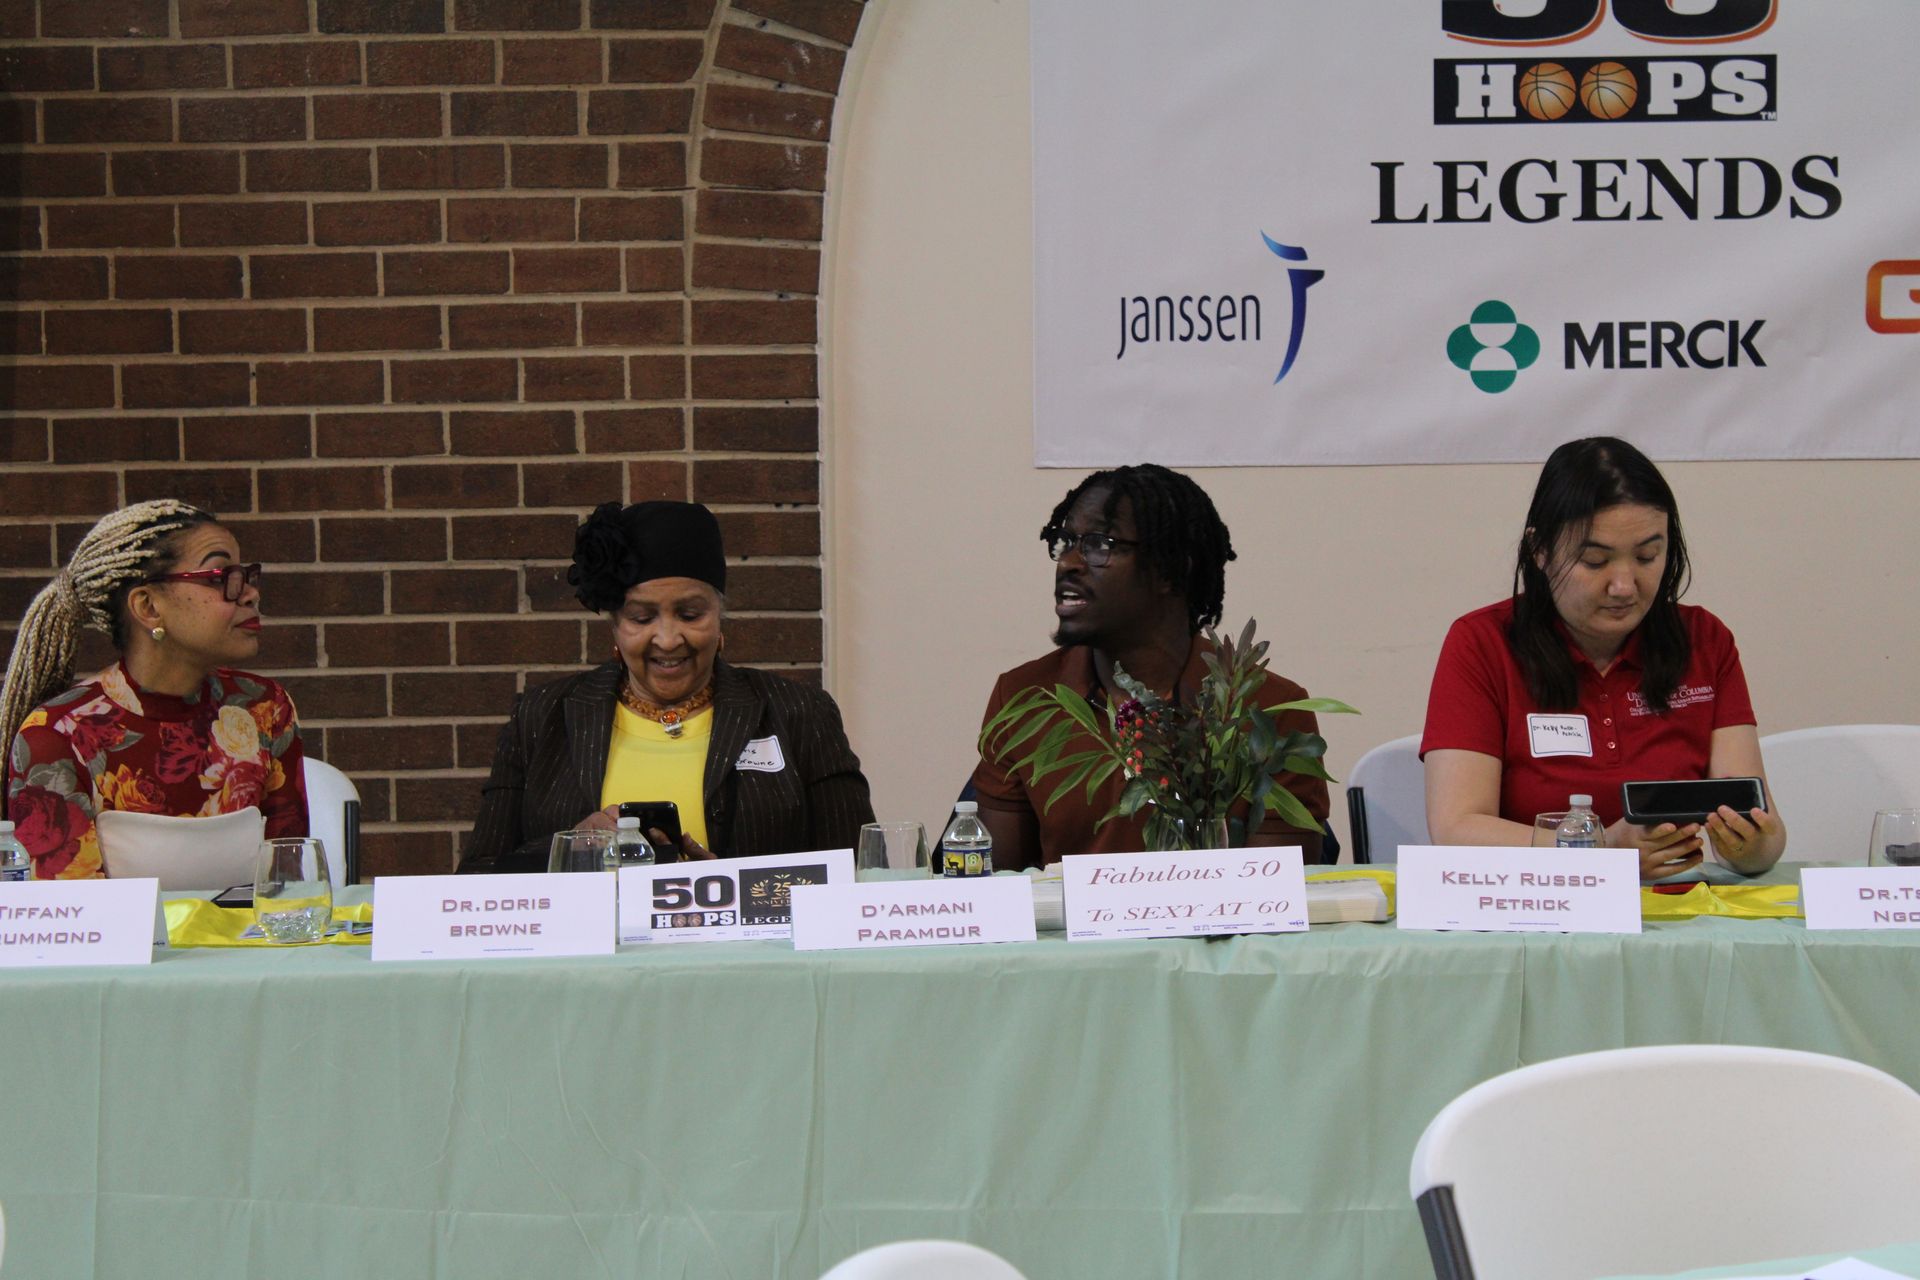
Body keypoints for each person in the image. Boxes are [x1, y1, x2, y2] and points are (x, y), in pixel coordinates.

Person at [1422, 436, 1785, 879]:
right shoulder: (1482, 642)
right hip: (1534, 909)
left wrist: (1752, 847)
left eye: (1648, 556)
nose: (1624, 586)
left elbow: (1756, 825)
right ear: (1539, 551)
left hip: (1672, 909)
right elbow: (1457, 829)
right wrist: (1598, 848)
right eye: (1595, 561)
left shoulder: (1704, 639)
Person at [461, 500, 874, 873]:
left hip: (752, 955)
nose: (669, 638)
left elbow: (859, 870)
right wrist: (572, 850)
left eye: (691, 614)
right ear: (616, 627)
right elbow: (477, 876)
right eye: (642, 618)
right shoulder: (542, 716)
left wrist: (727, 890)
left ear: (720, 616)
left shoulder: (797, 712)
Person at [971, 464, 1331, 867]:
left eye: (1099, 544)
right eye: (1066, 540)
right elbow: (1000, 891)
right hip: (1072, 930)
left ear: (1170, 571)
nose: (1068, 562)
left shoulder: (1267, 709)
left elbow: (1277, 897)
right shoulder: (1026, 697)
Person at [1, 501, 307, 879]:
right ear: (147, 606)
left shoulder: (264, 710)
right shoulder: (56, 736)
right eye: (219, 576)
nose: (249, 594)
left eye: (246, 575)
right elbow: (75, 924)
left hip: (248, 940)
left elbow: (287, 888)